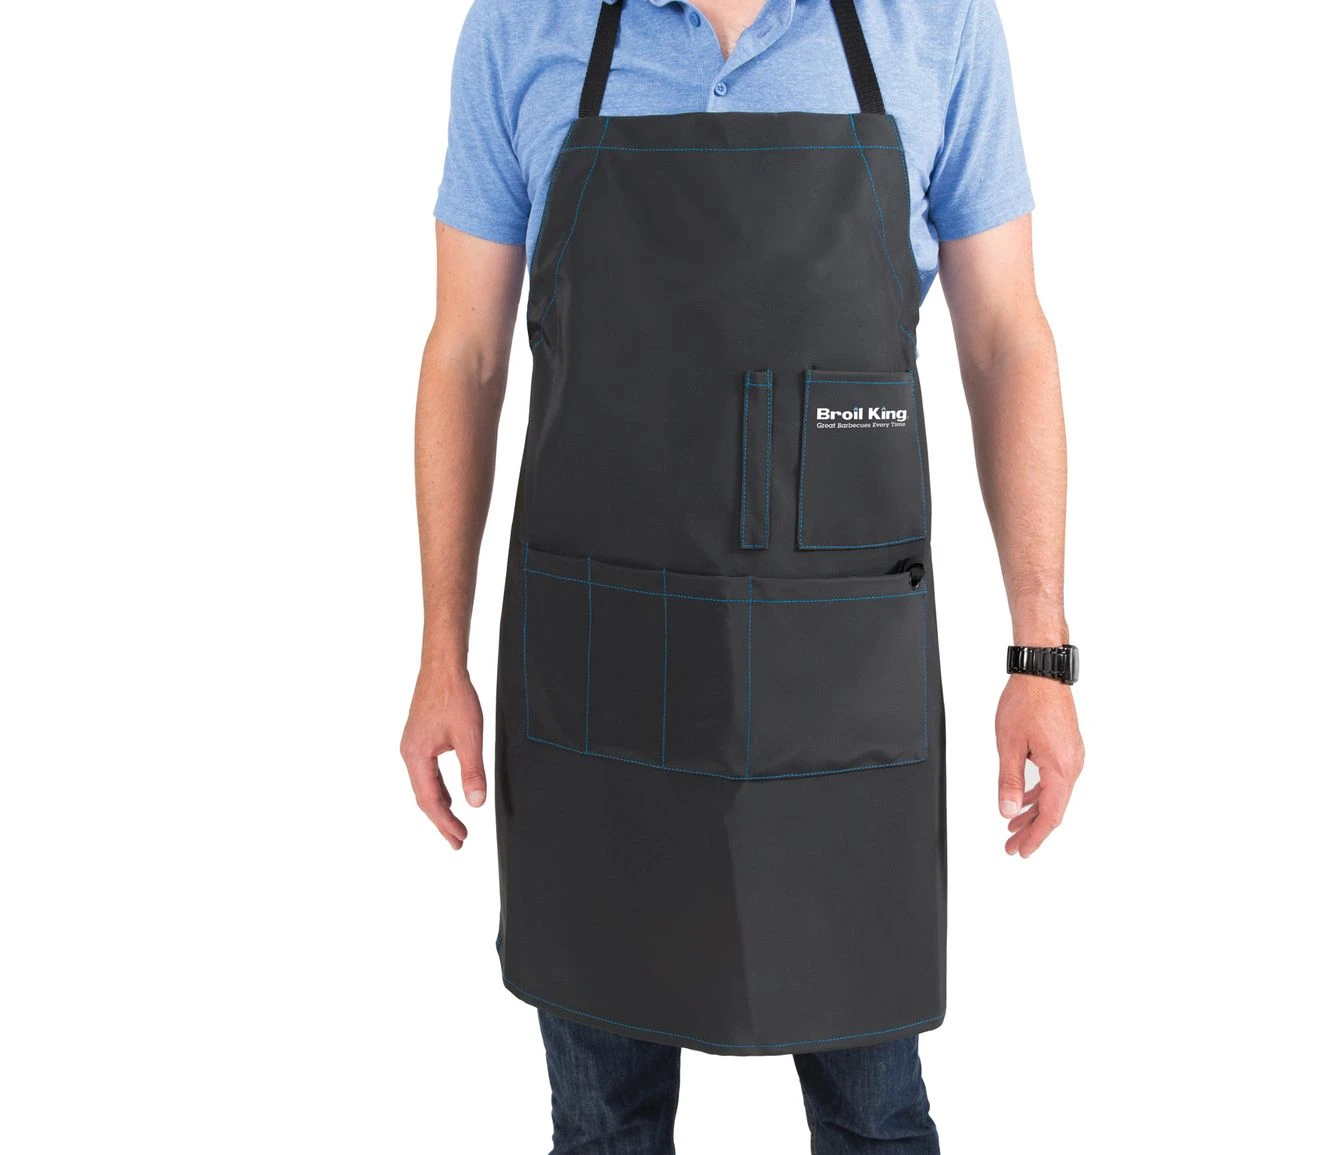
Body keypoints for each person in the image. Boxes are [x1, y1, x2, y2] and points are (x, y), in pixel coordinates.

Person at [401, 0, 1085, 1150]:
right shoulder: (522, 25)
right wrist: (439, 655)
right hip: (597, 674)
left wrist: (1042, 654)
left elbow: (1006, 335)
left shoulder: (934, 22)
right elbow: (464, 351)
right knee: (602, 1121)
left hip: (840, 682)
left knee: (875, 1115)